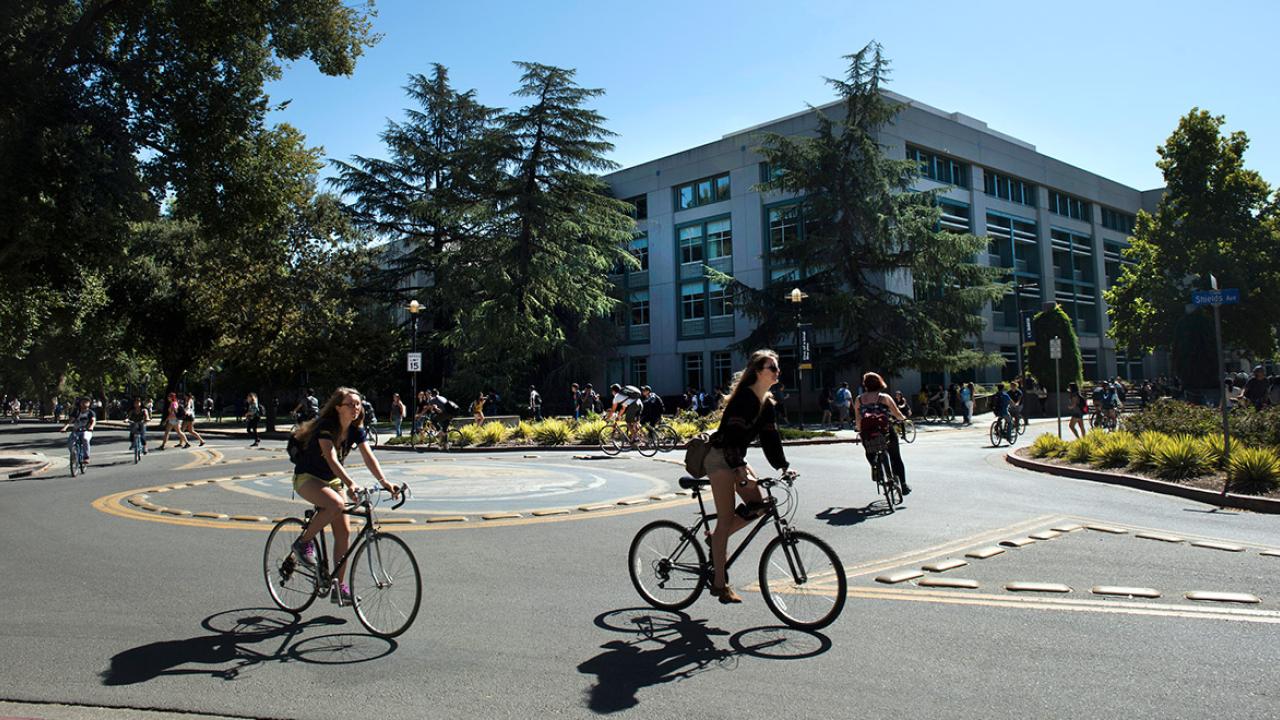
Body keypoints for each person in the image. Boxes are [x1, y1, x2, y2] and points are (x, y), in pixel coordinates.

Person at [288, 388, 399, 605]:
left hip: (331, 481)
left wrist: (385, 482)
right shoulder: (326, 427)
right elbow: (331, 458)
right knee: (336, 504)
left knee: (344, 532)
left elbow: (369, 457)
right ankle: (303, 543)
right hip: (307, 477)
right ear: (338, 407)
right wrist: (350, 483)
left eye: (358, 404)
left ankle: (339, 589)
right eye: (350, 404)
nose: (356, 408)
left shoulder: (356, 430)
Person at [705, 350, 790, 604]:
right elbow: (730, 434)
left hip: (737, 460)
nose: (777, 372)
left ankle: (716, 540)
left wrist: (783, 466)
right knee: (724, 520)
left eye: (777, 368)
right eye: (772, 368)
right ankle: (720, 584)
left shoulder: (767, 403)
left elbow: (770, 439)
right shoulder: (744, 398)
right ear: (758, 371)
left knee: (760, 505)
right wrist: (738, 468)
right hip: (720, 459)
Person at [853, 372, 910, 495]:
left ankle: (876, 467)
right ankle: (904, 485)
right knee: (895, 456)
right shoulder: (884, 397)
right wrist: (904, 419)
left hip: (868, 433)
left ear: (865, 385)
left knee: (869, 452)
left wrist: (859, 429)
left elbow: (858, 419)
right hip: (885, 431)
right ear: (880, 382)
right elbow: (897, 414)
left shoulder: (859, 400)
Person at [60, 397, 96, 465]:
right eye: (83, 401)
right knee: (70, 443)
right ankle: (74, 456)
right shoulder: (77, 411)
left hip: (87, 430)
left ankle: (86, 457)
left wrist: (91, 427)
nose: (84, 403)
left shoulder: (91, 412)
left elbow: (93, 421)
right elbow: (70, 421)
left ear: (89, 403)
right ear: (80, 403)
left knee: (85, 439)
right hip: (76, 430)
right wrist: (65, 428)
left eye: (87, 402)